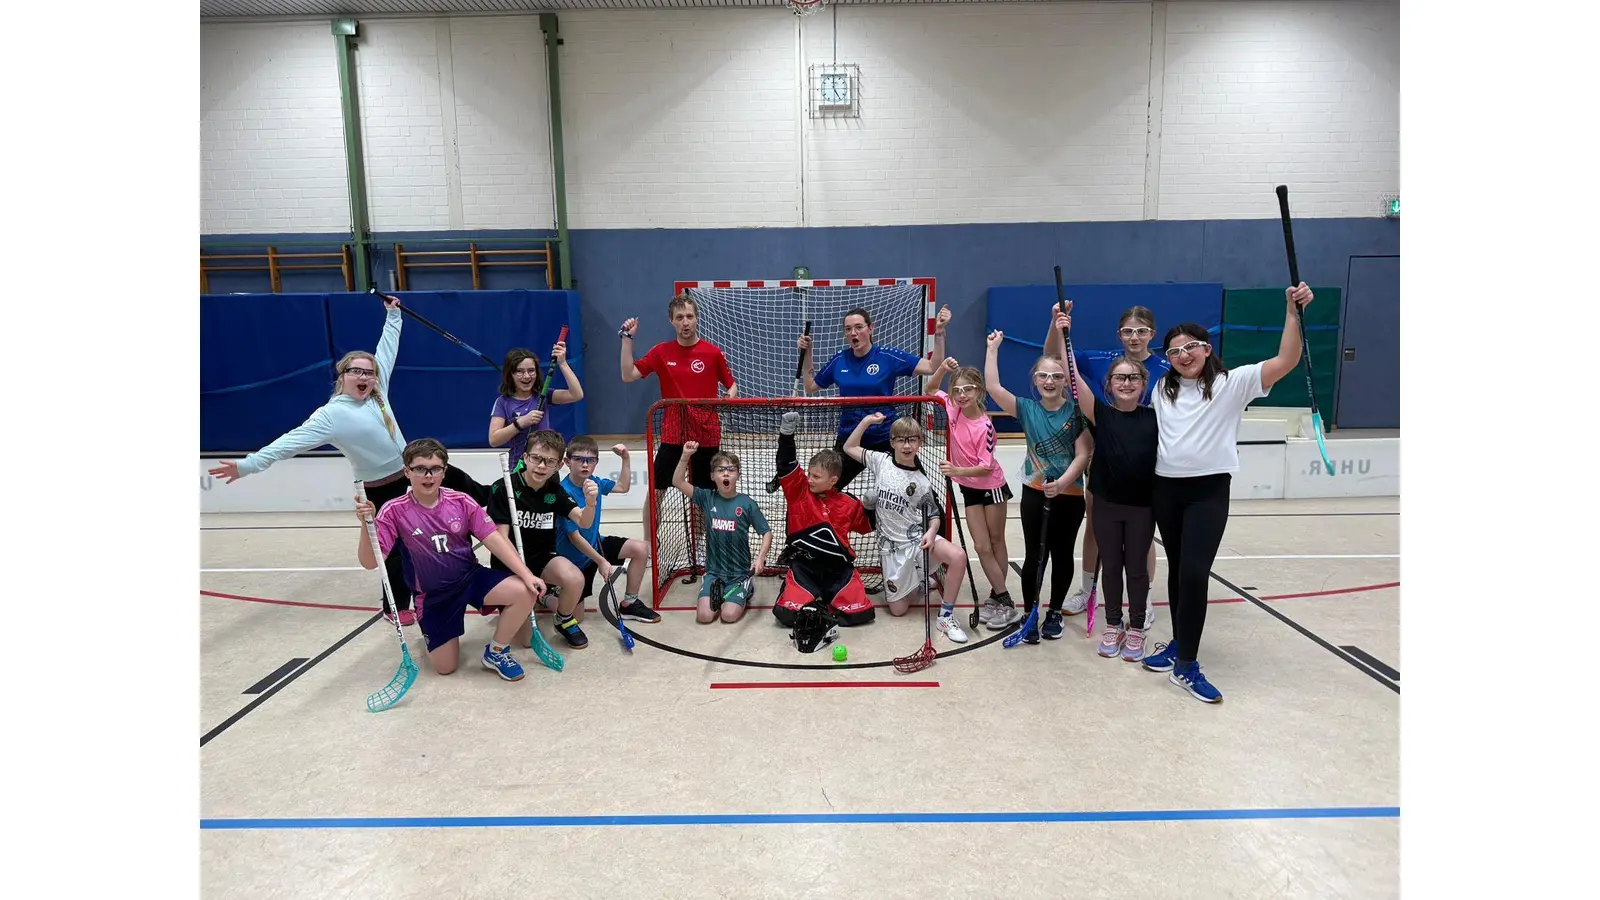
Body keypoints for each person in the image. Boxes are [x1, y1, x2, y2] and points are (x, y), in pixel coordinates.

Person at [209, 294, 485, 625]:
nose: (365, 377)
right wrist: (247, 465)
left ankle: (499, 505)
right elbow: (288, 443)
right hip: (379, 489)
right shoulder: (330, 415)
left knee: (463, 485)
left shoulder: (378, 392)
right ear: (342, 376)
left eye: (369, 372)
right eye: (356, 372)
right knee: (397, 548)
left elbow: (387, 350)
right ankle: (395, 606)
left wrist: (393, 316)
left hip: (412, 472)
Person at [1140, 284, 1316, 704]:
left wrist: (1293, 312)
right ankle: (1179, 644)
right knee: (1178, 570)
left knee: (1195, 572)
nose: (1183, 355)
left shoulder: (1232, 383)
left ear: (1207, 348)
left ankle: (1186, 666)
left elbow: (1287, 360)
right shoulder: (1161, 389)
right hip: (1165, 489)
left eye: (1191, 347)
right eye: (1174, 351)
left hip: (1208, 491)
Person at [354, 438, 545, 682]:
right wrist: (366, 525)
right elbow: (371, 563)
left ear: (444, 472)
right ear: (406, 472)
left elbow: (494, 540)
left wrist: (527, 575)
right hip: (433, 596)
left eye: (435, 469)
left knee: (525, 590)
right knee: (445, 667)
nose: (428, 476)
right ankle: (433, 633)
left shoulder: (461, 501)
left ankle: (496, 652)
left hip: (469, 578)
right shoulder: (393, 510)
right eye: (420, 468)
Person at [1048, 305, 1171, 615]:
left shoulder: (1167, 369)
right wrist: (1058, 326)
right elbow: (1057, 358)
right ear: (1119, 334)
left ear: (1152, 334)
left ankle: (1143, 598)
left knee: (1143, 534)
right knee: (1095, 525)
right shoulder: (1101, 361)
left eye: (1141, 331)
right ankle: (1087, 590)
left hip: (1146, 462)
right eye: (1128, 331)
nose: (1134, 337)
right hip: (1104, 457)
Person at [983, 326, 1093, 642]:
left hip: (1070, 495)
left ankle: (1054, 611)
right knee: (1034, 555)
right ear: (1035, 380)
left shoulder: (1077, 412)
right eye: (1043, 376)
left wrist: (1062, 482)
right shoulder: (1027, 409)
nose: (1049, 381)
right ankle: (1031, 611)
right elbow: (993, 387)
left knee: (1062, 554)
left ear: (1065, 381)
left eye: (1057, 376)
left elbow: (1084, 453)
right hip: (1034, 493)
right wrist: (993, 349)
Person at [1067, 344, 1159, 662]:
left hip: (1142, 506)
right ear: (1109, 383)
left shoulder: (1155, 418)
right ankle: (1113, 624)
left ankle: (1136, 627)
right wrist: (1061, 330)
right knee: (1110, 566)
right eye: (1120, 377)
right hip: (1106, 503)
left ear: (1143, 384)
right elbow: (1072, 374)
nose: (1126, 383)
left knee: (1136, 568)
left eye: (1133, 377)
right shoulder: (1101, 414)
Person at [843, 412, 969, 643]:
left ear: (920, 443)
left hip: (918, 542)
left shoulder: (922, 482)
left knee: (958, 556)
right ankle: (918, 580)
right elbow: (849, 447)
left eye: (912, 440)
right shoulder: (880, 461)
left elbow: (934, 516)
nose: (907, 445)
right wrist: (867, 421)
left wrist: (931, 532)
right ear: (892, 443)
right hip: (893, 549)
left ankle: (946, 616)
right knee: (898, 610)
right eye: (901, 440)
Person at [796, 305, 950, 490]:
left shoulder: (886, 356)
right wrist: (807, 353)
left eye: (859, 327)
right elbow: (810, 386)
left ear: (871, 328)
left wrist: (939, 332)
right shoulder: (839, 360)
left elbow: (932, 366)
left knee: (920, 490)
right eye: (848, 329)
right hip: (850, 439)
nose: (853, 333)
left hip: (885, 437)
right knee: (826, 490)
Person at [485, 430, 600, 650]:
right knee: (527, 642)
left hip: (542, 560)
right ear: (525, 457)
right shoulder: (503, 488)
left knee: (575, 578)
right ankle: (525, 600)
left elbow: (583, 521)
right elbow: (501, 540)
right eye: (536, 458)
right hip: (510, 565)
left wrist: (590, 503)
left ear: (558, 466)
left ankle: (563, 620)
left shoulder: (555, 491)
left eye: (549, 462)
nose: (541, 466)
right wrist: (526, 575)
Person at [620, 294, 737, 497]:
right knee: (656, 492)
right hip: (673, 433)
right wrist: (626, 340)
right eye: (680, 317)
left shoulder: (713, 353)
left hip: (706, 435)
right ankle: (652, 522)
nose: (685, 322)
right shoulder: (661, 352)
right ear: (671, 321)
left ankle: (702, 521)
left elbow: (732, 385)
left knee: (703, 495)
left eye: (690, 316)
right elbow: (628, 375)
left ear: (697, 318)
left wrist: (730, 396)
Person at [770, 412, 875, 633]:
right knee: (787, 615)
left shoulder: (849, 503)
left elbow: (866, 527)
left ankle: (826, 597)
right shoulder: (799, 491)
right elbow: (786, 465)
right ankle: (800, 591)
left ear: (833, 480)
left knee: (859, 614)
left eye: (816, 476)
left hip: (838, 568)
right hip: (806, 566)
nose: (810, 479)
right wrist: (786, 436)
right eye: (809, 474)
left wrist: (871, 508)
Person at [930, 357, 1014, 624]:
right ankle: (1001, 596)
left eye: (967, 389)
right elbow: (930, 389)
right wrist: (942, 369)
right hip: (969, 488)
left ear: (979, 390)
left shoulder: (984, 426)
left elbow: (985, 468)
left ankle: (1001, 599)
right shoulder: (953, 409)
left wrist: (957, 470)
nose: (961, 395)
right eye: (956, 390)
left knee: (995, 541)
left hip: (991, 488)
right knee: (981, 545)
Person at [555, 435, 659, 625]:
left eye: (590, 460)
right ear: (567, 462)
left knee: (641, 549)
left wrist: (625, 458)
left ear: (596, 463)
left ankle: (630, 603)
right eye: (579, 459)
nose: (585, 464)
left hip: (596, 544)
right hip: (574, 557)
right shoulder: (563, 492)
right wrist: (601, 561)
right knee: (576, 618)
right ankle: (547, 594)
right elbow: (574, 537)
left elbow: (623, 487)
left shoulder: (594, 482)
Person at [672, 442, 773, 624]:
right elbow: (677, 482)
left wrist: (761, 557)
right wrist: (685, 456)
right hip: (714, 572)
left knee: (728, 616)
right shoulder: (706, 498)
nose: (726, 473)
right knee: (704, 617)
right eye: (720, 470)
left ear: (738, 475)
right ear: (712, 476)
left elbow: (766, 532)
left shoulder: (747, 504)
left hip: (739, 574)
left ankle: (747, 587)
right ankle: (710, 584)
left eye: (731, 470)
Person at [488, 339, 583, 463]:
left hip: (547, 464)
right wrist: (521, 423)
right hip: (519, 466)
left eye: (531, 371)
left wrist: (563, 363)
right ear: (510, 374)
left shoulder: (544, 395)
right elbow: (494, 440)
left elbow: (576, 394)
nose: (527, 376)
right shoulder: (502, 402)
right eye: (519, 371)